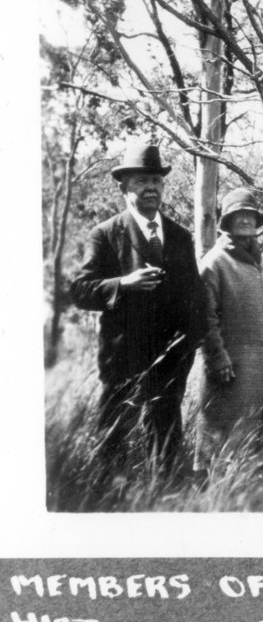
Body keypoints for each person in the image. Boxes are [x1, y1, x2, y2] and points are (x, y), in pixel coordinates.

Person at [70, 141, 206, 481]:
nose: (151, 188)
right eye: (141, 181)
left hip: (170, 362)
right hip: (122, 359)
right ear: (123, 188)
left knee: (165, 443)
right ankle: (107, 498)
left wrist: (187, 350)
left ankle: (161, 502)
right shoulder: (105, 235)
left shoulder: (179, 236)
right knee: (113, 435)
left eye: (156, 181)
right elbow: (80, 291)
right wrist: (124, 284)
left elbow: (195, 297)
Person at [198, 189, 263, 459]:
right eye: (237, 215)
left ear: (257, 221)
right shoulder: (215, 262)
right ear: (226, 222)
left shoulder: (261, 261)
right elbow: (205, 318)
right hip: (232, 365)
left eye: (250, 215)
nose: (245, 220)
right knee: (232, 442)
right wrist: (217, 357)